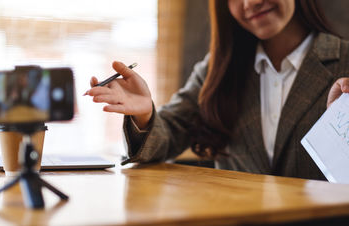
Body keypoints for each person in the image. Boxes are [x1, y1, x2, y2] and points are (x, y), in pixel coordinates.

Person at [86, 0, 349, 180]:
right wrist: (145, 114)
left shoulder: (344, 62)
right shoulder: (219, 69)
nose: (249, 3)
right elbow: (168, 132)